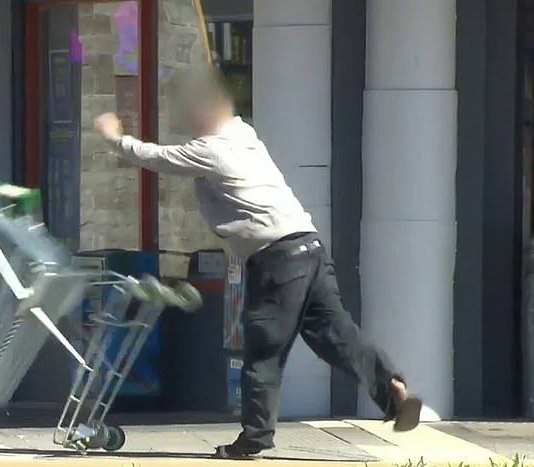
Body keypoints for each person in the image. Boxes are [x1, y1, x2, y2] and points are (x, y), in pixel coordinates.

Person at [94, 68, 422, 459]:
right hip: (310, 246)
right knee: (338, 336)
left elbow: (158, 158)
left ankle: (253, 439)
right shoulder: (244, 135)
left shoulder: (211, 149)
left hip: (277, 258)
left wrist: (115, 138)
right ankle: (390, 389)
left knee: (264, 351)